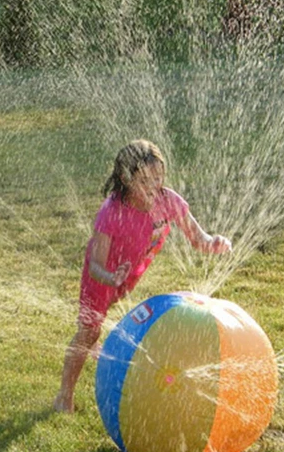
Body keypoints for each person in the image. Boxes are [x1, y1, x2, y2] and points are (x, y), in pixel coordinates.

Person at [52, 140, 232, 413]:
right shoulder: (111, 213)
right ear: (126, 178)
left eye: (158, 178)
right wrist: (110, 278)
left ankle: (95, 346)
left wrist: (214, 242)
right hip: (103, 277)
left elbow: (198, 238)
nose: (153, 186)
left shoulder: (167, 200)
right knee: (89, 330)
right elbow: (95, 266)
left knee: (99, 324)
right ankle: (64, 396)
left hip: (131, 272)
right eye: (145, 180)